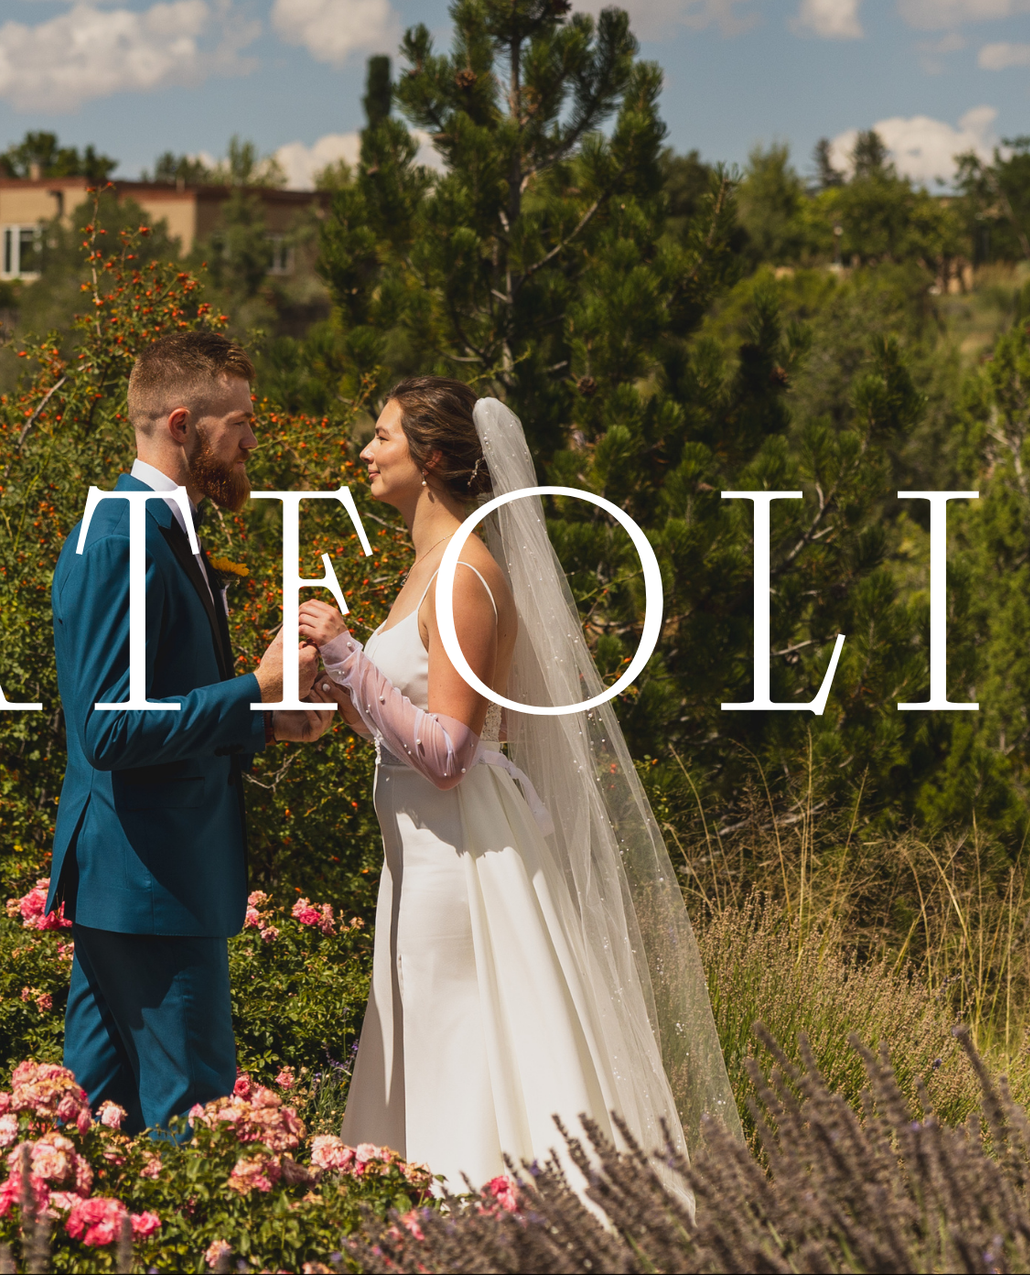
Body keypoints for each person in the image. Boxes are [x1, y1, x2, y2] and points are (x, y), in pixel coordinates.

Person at [296, 377, 737, 1190]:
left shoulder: (464, 570)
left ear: (430, 458)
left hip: (456, 860)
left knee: (456, 1051)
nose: (365, 452)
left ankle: (473, 1218)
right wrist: (342, 690)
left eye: (383, 437)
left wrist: (348, 654)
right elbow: (404, 725)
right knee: (427, 1042)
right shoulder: (429, 564)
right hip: (420, 855)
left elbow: (450, 750)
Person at [49, 331, 330, 1134]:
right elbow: (108, 727)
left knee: (93, 1131)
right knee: (197, 1132)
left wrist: (264, 722)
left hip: (140, 879)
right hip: (152, 887)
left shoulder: (164, 527)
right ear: (182, 424)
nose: (251, 440)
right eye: (239, 422)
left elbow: (159, 708)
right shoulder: (124, 534)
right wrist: (255, 686)